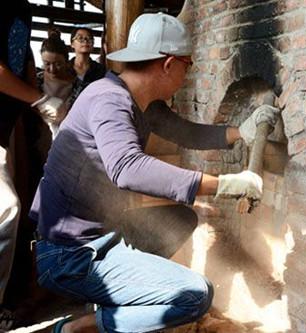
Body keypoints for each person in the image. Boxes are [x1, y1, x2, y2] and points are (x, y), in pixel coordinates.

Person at [30, 12, 279, 333]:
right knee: (195, 295)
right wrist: (227, 184)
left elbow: (186, 132)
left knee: (180, 219)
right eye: (187, 65)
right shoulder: (109, 99)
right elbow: (127, 168)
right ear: (168, 64)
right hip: (69, 254)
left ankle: (122, 298)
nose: (188, 74)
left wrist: (240, 131)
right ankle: (76, 328)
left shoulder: (141, 102)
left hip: (103, 234)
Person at [0, 1, 63, 329]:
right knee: (6, 209)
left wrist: (37, 105)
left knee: (12, 208)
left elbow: (21, 62)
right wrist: (39, 100)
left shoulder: (22, 9)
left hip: (4, 129)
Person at [37, 29, 76, 136]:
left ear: (67, 62)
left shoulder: (78, 86)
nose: (52, 69)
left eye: (58, 64)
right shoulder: (35, 81)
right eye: (47, 64)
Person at [69, 27, 105, 104]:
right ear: (72, 44)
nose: (85, 41)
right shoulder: (64, 68)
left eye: (89, 38)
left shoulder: (101, 71)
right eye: (80, 38)